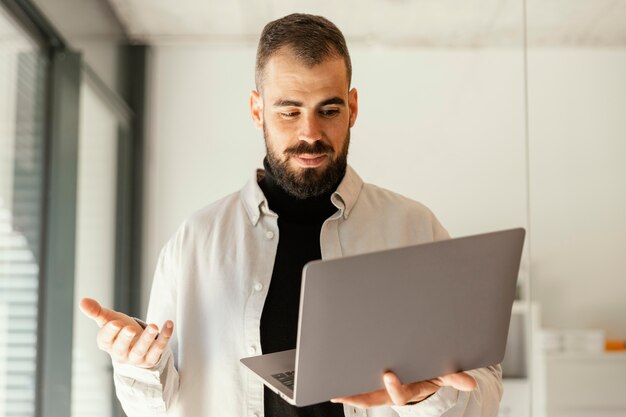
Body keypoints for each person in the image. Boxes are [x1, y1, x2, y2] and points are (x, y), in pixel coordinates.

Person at [80, 13, 503, 417]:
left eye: (329, 110)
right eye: (289, 110)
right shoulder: (197, 240)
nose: (310, 133)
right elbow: (155, 408)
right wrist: (138, 364)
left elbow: (482, 392)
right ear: (256, 109)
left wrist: (423, 398)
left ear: (353, 109)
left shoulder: (414, 229)